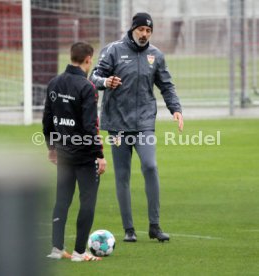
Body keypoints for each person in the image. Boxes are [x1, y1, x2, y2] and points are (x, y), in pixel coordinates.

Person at [90, 12, 183, 242]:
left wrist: (176, 109)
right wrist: (105, 82)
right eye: (141, 29)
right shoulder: (113, 50)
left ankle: (154, 225)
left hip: (144, 123)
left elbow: (167, 86)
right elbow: (93, 76)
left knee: (150, 166)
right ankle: (129, 230)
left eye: (148, 31)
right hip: (118, 124)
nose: (144, 34)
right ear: (133, 29)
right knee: (122, 176)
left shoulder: (156, 55)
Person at [43, 42, 107, 261]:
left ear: (71, 57)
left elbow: (47, 121)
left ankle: (56, 249)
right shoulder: (87, 87)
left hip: (63, 153)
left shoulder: (54, 83)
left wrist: (52, 148)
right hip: (84, 155)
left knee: (62, 200)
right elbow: (91, 126)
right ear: (88, 59)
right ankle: (80, 252)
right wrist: (99, 155)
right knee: (87, 201)